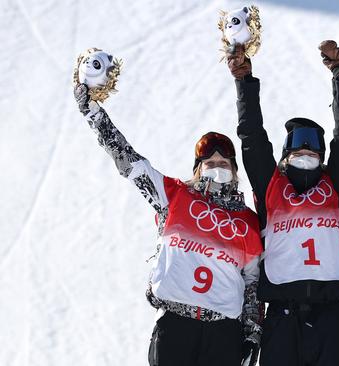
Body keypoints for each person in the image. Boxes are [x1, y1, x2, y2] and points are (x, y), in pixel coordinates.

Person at [73, 83, 264, 366]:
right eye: (209, 163)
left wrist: (252, 335)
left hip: (223, 332)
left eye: (224, 162)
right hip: (176, 326)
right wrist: (93, 113)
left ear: (235, 171)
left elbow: (252, 284)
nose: (217, 167)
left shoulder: (247, 220)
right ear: (197, 170)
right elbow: (129, 161)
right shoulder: (174, 197)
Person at [225, 40, 339, 366]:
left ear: (322, 156)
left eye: (312, 151)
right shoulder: (272, 187)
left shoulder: (333, 185)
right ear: (286, 156)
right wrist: (245, 83)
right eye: (298, 151)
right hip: (282, 317)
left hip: (331, 315)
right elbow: (252, 137)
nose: (306, 156)